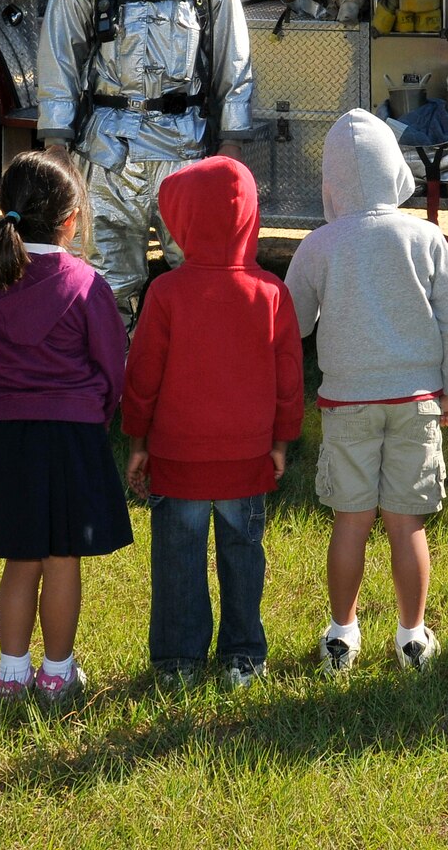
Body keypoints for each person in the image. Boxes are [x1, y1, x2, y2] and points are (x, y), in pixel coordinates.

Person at [35, 0, 258, 324]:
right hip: (108, 158)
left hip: (188, 159)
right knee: (105, 288)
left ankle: (194, 383)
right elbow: (59, 61)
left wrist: (232, 145)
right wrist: (56, 145)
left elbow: (234, 65)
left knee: (205, 278)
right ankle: (114, 387)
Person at [285, 109, 448, 673]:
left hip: (346, 405)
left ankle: (342, 634)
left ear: (331, 181)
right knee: (406, 522)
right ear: (395, 169)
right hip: (418, 402)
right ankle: (412, 636)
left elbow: (292, 324)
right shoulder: (428, 237)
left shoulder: (317, 245)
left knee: (351, 521)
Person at [120, 157, 304, 688]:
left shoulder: (166, 293)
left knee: (178, 558)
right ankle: (243, 655)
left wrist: (138, 441)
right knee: (243, 557)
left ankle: (178, 661)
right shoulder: (270, 292)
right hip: (247, 459)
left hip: (178, 459)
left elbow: (143, 377)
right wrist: (282, 442)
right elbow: (289, 377)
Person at [0, 151, 133, 704]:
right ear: (71, 218)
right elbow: (112, 366)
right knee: (62, 559)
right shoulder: (85, 283)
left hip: (10, 436)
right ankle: (57, 673)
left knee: (20, 558)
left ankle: (11, 675)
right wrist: (97, 419)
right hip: (74, 435)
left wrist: (1, 408)